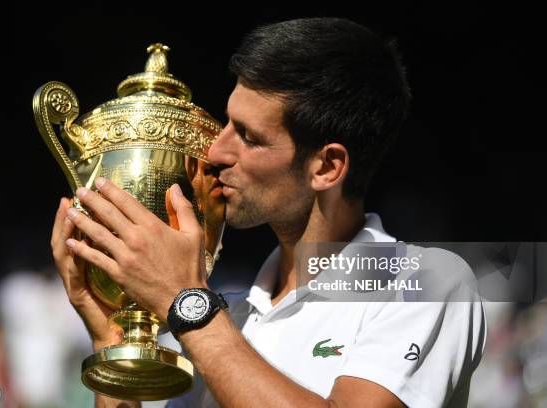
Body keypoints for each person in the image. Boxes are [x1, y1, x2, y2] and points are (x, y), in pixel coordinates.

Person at [51, 18, 485, 407]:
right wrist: (110, 335)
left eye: (249, 137)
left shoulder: (423, 282)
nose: (216, 151)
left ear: (327, 166)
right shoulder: (227, 315)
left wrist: (183, 301)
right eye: (226, 124)